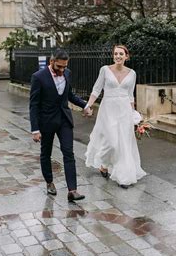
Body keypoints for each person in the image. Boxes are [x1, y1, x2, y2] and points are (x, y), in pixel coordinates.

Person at [29, 50, 92, 202]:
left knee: (68, 153)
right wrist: (35, 129)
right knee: (46, 153)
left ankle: (72, 190)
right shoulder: (38, 77)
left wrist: (85, 105)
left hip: (64, 119)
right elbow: (34, 104)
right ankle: (49, 182)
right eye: (59, 67)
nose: (63, 70)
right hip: (46, 121)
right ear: (52, 62)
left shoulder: (67, 73)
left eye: (65, 67)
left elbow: (70, 95)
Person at [84, 45, 146, 188]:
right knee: (111, 142)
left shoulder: (132, 73)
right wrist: (89, 105)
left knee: (123, 143)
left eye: (121, 54)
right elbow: (96, 89)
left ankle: (123, 176)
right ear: (113, 56)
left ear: (126, 56)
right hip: (108, 110)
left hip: (124, 111)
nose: (118, 56)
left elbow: (131, 95)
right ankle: (104, 164)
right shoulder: (105, 70)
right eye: (116, 54)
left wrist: (134, 115)